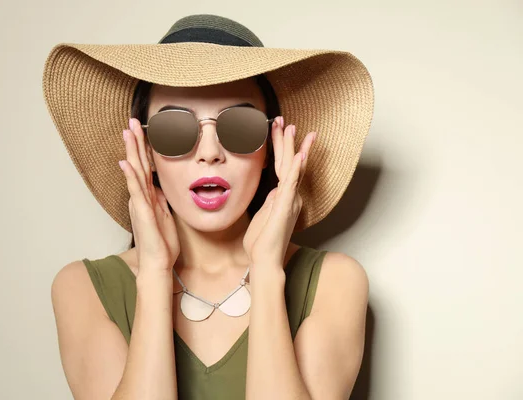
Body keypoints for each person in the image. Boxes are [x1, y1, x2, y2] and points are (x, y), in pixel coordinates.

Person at [44, 14, 374, 400]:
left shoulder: (335, 282)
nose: (210, 153)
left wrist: (267, 272)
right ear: (145, 151)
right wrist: (154, 273)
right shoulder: (82, 288)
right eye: (173, 129)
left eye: (240, 126)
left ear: (270, 145)